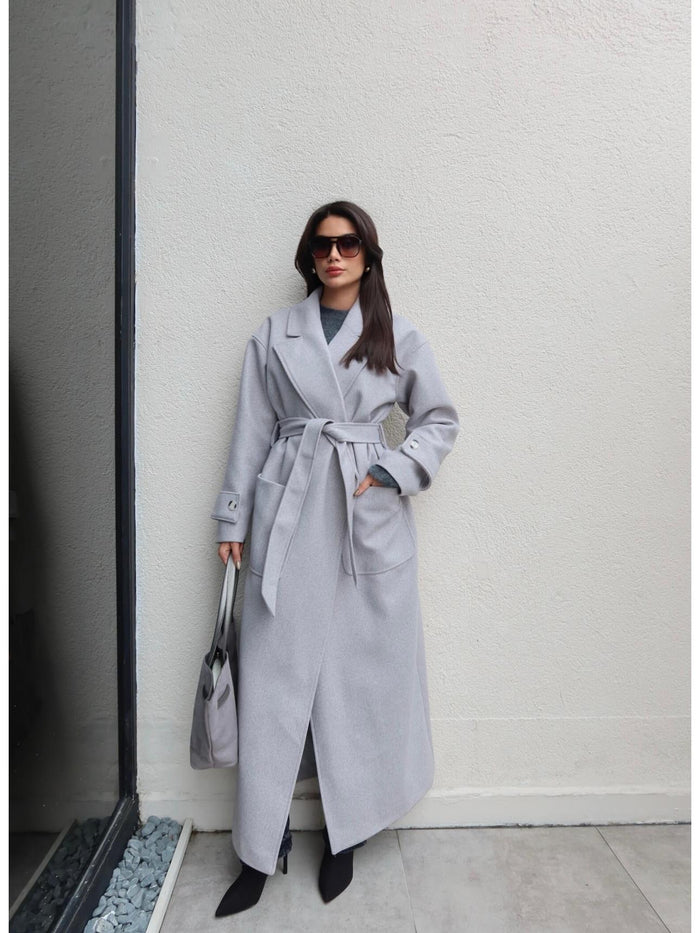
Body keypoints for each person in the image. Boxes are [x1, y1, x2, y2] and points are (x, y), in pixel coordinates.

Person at [210, 201, 460, 916]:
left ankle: (347, 834)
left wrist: (391, 468)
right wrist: (233, 516)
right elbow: (251, 427)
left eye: (348, 244)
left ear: (368, 255)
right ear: (309, 257)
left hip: (361, 517)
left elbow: (439, 419)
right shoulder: (274, 334)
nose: (335, 255)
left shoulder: (396, 334)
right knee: (273, 681)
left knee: (360, 681)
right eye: (322, 245)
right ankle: (259, 848)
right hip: (287, 514)